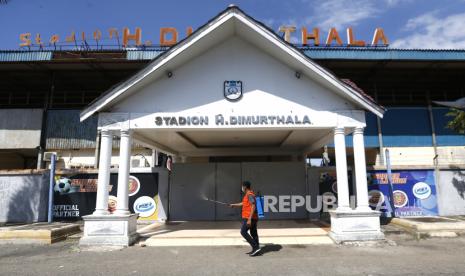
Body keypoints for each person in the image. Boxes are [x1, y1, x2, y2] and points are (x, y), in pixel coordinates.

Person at [229, 181, 261, 256]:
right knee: (253, 233)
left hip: (250, 218)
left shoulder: (249, 195)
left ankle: (255, 247)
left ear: (245, 187)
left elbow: (253, 206)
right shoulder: (248, 195)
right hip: (253, 217)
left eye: (242, 186)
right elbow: (243, 203)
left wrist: (249, 219)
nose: (242, 188)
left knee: (243, 232)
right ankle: (256, 249)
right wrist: (234, 205)